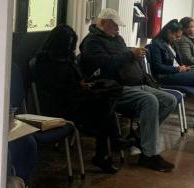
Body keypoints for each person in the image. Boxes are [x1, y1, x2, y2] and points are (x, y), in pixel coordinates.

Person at [79, 8, 177, 172]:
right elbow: (105, 67)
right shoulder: (92, 43)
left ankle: (139, 136)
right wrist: (130, 55)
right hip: (115, 88)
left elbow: (124, 57)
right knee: (150, 101)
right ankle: (149, 154)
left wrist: (135, 55)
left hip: (135, 83)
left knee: (169, 100)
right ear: (103, 23)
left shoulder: (117, 39)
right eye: (114, 25)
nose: (117, 29)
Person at [34, 24, 133, 174]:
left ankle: (106, 150)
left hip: (74, 99)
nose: (71, 49)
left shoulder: (65, 58)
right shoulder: (46, 62)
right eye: (69, 45)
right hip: (61, 107)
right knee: (104, 107)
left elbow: (71, 82)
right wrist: (81, 88)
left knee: (106, 101)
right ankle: (110, 145)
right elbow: (58, 90)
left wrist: (83, 85)